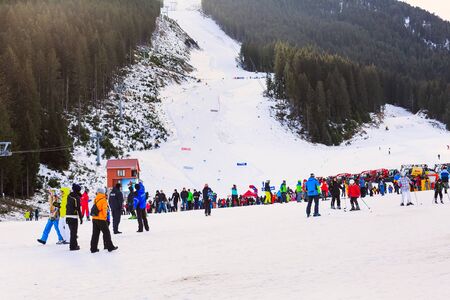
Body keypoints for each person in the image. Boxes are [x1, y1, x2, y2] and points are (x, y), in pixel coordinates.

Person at [90, 188, 118, 253]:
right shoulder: (103, 199)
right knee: (106, 233)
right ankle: (110, 247)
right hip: (101, 219)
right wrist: (105, 218)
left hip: (94, 219)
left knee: (95, 234)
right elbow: (104, 210)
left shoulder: (96, 199)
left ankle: (93, 249)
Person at [65, 184, 83, 251]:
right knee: (74, 232)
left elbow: (67, 206)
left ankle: (75, 245)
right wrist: (81, 218)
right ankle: (72, 247)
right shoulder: (77, 197)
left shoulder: (69, 196)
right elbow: (78, 209)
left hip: (68, 216)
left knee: (72, 232)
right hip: (74, 216)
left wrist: (66, 216)